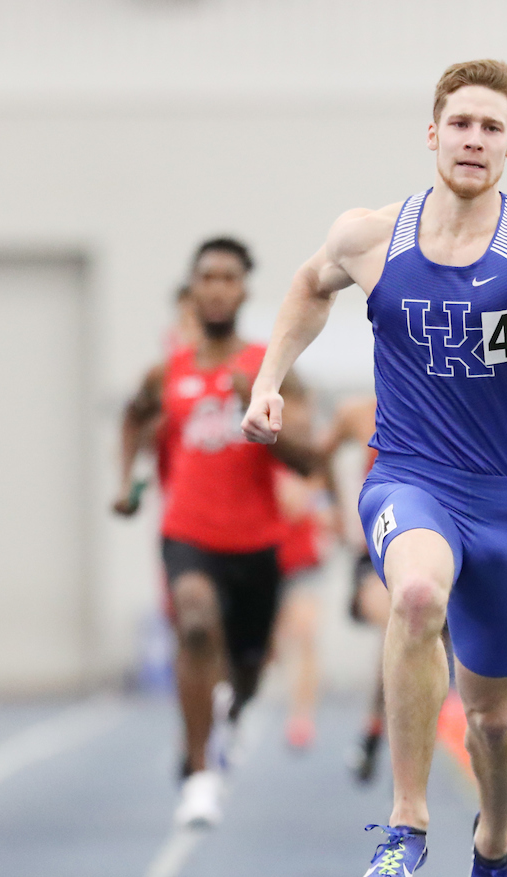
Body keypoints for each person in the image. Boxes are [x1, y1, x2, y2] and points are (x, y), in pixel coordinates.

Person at [242, 59, 507, 877]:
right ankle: (406, 826)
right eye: (458, 123)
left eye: (489, 128)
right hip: (412, 475)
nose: (472, 139)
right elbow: (307, 290)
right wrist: (269, 380)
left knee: (495, 715)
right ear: (432, 133)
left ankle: (492, 846)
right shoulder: (371, 235)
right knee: (415, 598)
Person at [113, 237, 316, 826]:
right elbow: (132, 418)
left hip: (257, 542)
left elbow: (308, 461)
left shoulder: (269, 370)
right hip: (189, 535)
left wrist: (260, 413)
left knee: (250, 668)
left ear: (245, 290)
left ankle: (230, 711)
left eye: (230, 277)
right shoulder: (166, 374)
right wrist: (127, 483)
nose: (218, 287)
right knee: (196, 622)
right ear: (193, 288)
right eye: (208, 277)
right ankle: (199, 774)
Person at [320, 395, 390, 781]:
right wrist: (334, 509)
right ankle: (375, 730)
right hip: (377, 550)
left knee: (432, 644)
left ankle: (376, 730)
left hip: (438, 543)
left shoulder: (445, 399)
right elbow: (319, 457)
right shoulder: (357, 414)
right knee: (402, 621)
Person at [274, 466, 330, 751]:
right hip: (266, 557)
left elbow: (314, 506)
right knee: (274, 644)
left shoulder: (309, 458)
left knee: (305, 634)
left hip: (303, 559)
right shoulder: (261, 450)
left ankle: (302, 715)